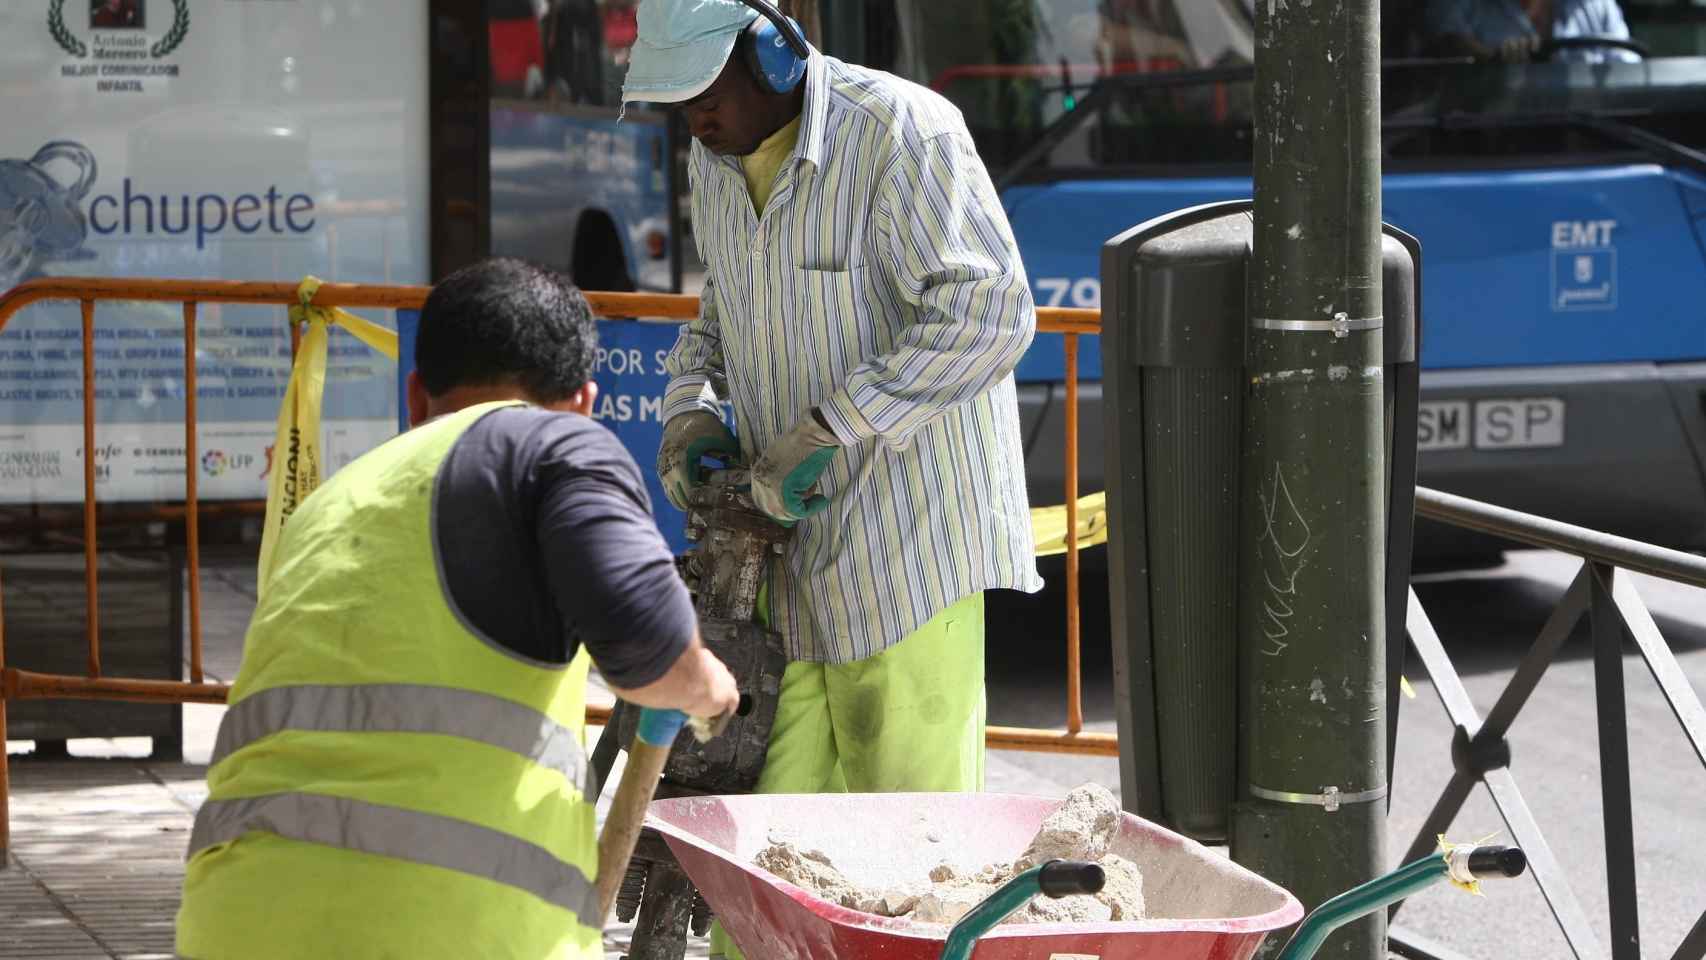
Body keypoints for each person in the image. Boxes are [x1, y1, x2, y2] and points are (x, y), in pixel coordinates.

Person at [623, 1, 1043, 954]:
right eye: (672, 100)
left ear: (770, 55)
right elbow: (717, 316)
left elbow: (990, 311)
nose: (692, 117)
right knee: (761, 858)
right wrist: (691, 406)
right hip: (782, 564)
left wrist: (836, 426)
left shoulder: (901, 131)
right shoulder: (717, 161)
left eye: (702, 91)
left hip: (909, 556)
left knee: (916, 856)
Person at [174, 258, 739, 959]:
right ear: (585, 401)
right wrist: (709, 687)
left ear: (415, 398)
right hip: (446, 928)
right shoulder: (552, 445)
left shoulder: (330, 505)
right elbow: (649, 654)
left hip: (232, 919)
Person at [1423, 0, 1640, 63]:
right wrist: (1492, 61)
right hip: (1489, 152)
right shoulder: (1458, 6)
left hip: (1597, 149)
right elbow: (1450, 47)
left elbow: (1630, 80)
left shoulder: (1597, 5)